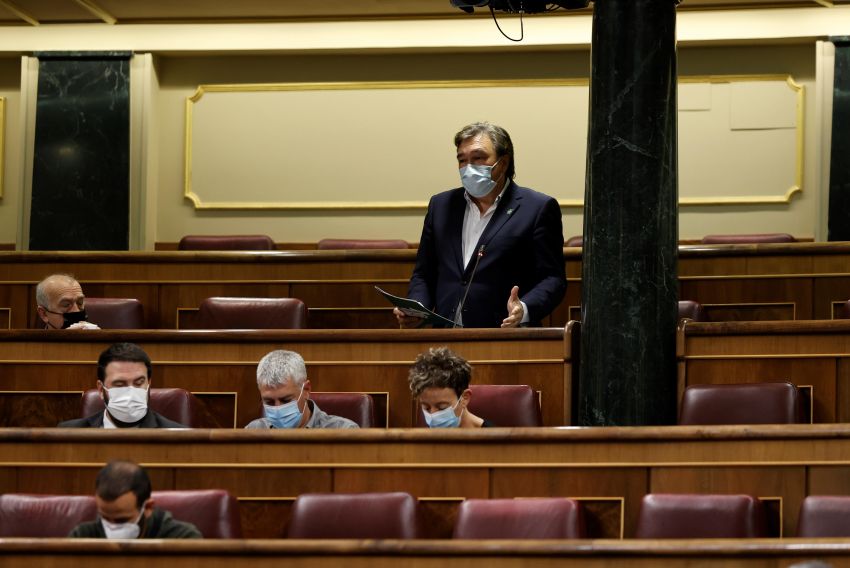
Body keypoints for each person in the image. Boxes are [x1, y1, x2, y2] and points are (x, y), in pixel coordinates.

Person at [396, 121, 566, 329]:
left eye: (478, 158)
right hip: (444, 337)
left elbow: (552, 279)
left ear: (502, 163)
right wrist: (417, 308)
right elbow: (424, 273)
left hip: (505, 337)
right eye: (462, 160)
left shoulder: (537, 208)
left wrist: (525, 308)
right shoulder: (440, 206)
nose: (468, 167)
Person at [58, 342, 187, 428]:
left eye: (138, 383)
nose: (131, 392)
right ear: (101, 390)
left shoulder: (178, 436)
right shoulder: (68, 433)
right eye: (119, 384)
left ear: (149, 383)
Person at [69, 460, 201, 539]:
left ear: (148, 507)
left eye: (122, 520)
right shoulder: (82, 536)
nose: (111, 527)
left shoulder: (183, 539)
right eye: (105, 518)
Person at [245, 349, 359, 429]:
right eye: (269, 402)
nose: (278, 409)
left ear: (306, 390)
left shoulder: (344, 432)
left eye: (286, 400)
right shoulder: (252, 433)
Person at [408, 346, 493, 428]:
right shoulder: (419, 439)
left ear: (464, 398)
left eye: (442, 408)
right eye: (426, 408)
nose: (432, 417)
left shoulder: (492, 439)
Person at [35, 273, 99, 329]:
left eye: (80, 303)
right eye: (66, 305)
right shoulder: (33, 343)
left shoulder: (97, 338)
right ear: (44, 314)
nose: (77, 310)